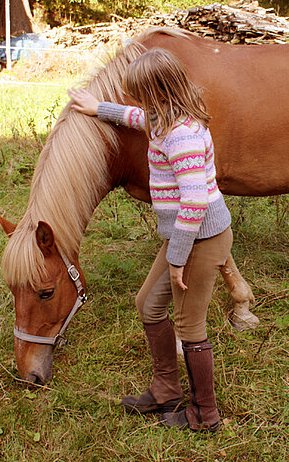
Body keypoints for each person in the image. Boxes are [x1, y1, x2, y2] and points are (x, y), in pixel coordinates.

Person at [67, 48, 232, 433]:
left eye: (140, 93)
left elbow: (194, 200)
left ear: (158, 91)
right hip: (184, 237)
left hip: (200, 238)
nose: (137, 102)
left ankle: (204, 414)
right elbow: (137, 117)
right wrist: (99, 108)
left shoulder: (183, 137)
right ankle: (165, 389)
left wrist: (176, 259)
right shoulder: (163, 119)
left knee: (190, 325)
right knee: (148, 304)